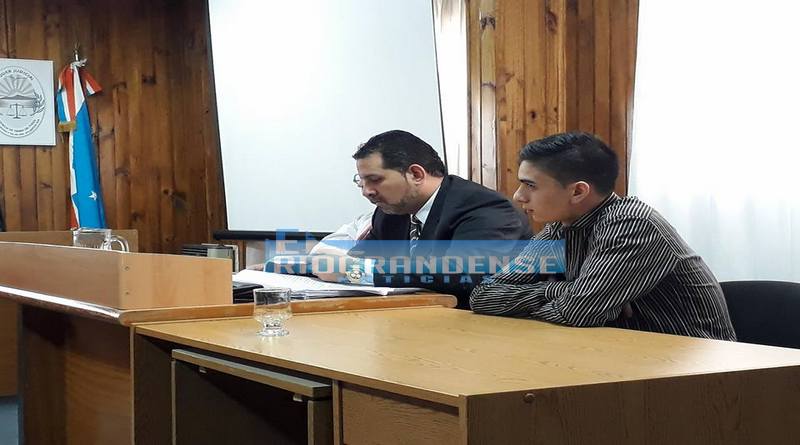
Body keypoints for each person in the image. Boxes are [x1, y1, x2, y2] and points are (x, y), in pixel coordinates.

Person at [469, 132, 736, 341]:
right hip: (623, 357)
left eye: (530, 185)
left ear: (578, 192)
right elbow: (482, 296)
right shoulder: (559, 229)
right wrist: (561, 290)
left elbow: (575, 312)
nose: (518, 196)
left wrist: (574, 299)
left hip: (698, 371)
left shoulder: (631, 224)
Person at [315, 129, 532, 308]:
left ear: (416, 174)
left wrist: (357, 271)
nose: (367, 192)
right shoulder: (391, 211)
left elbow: (463, 274)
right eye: (361, 182)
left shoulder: (485, 208)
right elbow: (355, 260)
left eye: (375, 180)